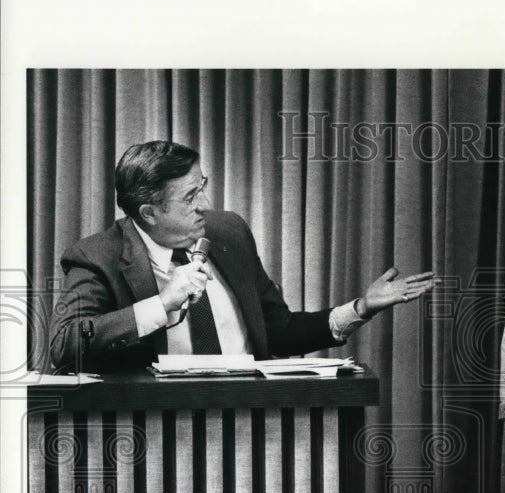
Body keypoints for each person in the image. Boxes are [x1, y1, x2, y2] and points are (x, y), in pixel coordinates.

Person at [48, 140, 436, 373]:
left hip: (251, 422)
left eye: (202, 186)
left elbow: (277, 331)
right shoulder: (97, 255)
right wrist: (162, 304)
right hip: (153, 433)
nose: (206, 204)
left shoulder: (228, 231)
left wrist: (360, 307)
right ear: (149, 213)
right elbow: (65, 346)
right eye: (189, 197)